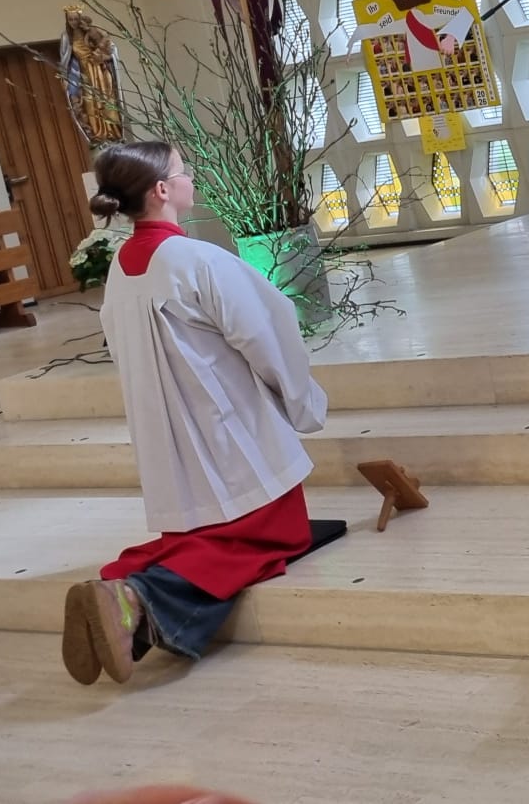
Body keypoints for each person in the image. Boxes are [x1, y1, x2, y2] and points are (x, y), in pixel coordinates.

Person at [61, 141, 330, 687]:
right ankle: (136, 596)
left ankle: (122, 601)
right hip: (230, 435)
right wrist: (299, 401)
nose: (191, 179)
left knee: (193, 537)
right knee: (276, 537)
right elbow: (268, 332)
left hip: (171, 448)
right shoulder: (198, 260)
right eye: (184, 171)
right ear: (162, 190)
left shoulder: (120, 270)